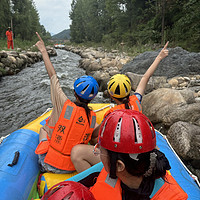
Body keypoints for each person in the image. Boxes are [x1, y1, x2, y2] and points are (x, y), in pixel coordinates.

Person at [71, 42, 169, 172]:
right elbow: (146, 77)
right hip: (137, 151)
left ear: (111, 94)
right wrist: (159, 57)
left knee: (78, 151)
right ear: (129, 90)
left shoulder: (112, 114)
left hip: (122, 158)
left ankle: (96, 179)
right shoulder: (137, 101)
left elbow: (97, 135)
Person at [34, 32, 100, 174]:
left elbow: (52, 76)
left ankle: (44, 152)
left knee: (44, 128)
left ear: (75, 92)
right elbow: (94, 136)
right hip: (71, 166)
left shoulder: (63, 104)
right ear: (93, 98)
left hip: (49, 165)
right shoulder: (93, 117)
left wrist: (43, 50)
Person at [89, 109, 188, 200]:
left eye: (100, 150)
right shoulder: (107, 169)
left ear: (119, 165)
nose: (98, 154)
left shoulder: (173, 197)